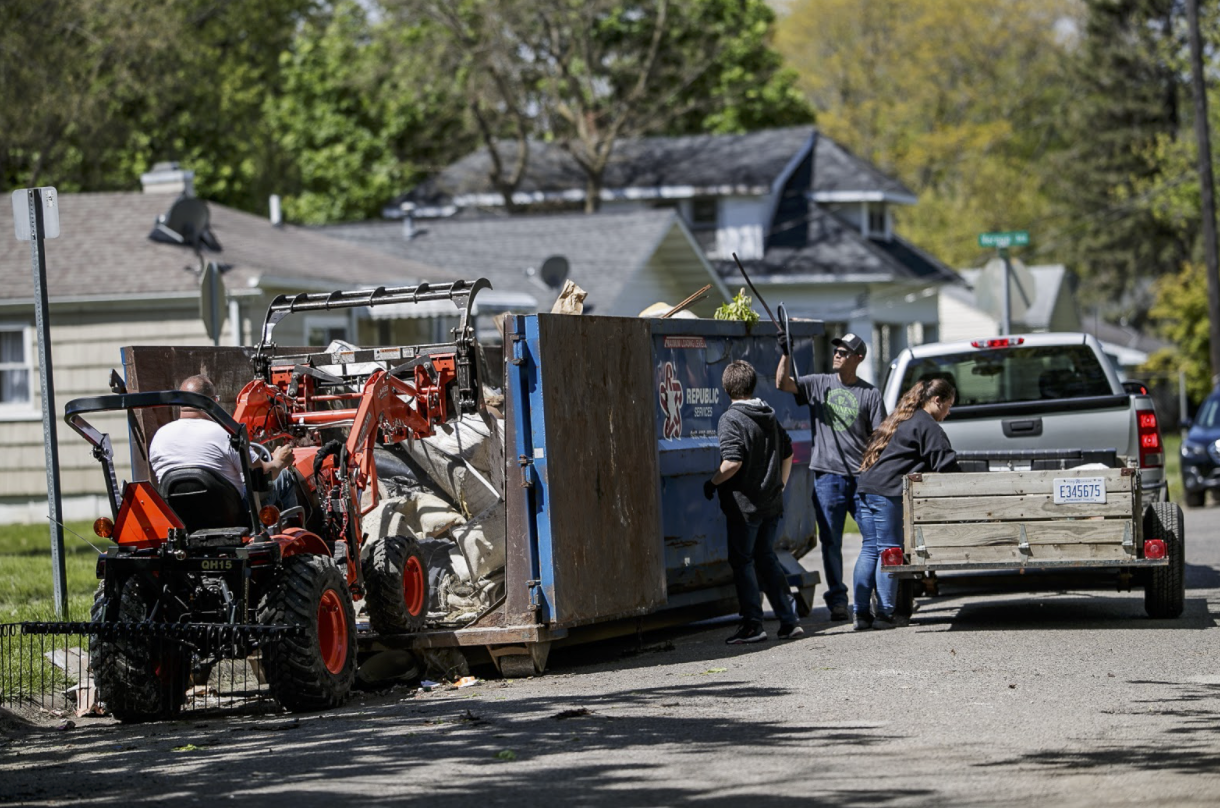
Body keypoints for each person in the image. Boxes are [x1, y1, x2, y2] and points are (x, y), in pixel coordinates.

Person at [776, 331, 886, 621]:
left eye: (845, 351)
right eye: (837, 349)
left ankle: (872, 594)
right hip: (827, 477)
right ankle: (838, 599)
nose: (837, 353)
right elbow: (782, 383)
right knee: (831, 541)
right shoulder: (818, 384)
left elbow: (880, 440)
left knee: (872, 539)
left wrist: (872, 473)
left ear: (858, 359)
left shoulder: (870, 394)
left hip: (862, 479)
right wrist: (786, 353)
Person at [705, 360, 803, 644]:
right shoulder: (768, 415)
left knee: (743, 561)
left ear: (726, 387)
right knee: (767, 558)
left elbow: (732, 462)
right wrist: (780, 485)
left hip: (745, 507)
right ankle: (789, 620)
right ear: (751, 385)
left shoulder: (730, 419)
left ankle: (752, 624)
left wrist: (712, 483)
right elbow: (788, 452)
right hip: (771, 504)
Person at [853, 377, 960, 630]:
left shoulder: (902, 419)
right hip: (887, 492)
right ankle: (885, 614)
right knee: (890, 550)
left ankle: (860, 614)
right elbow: (946, 465)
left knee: (870, 549)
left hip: (867, 488)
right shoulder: (928, 425)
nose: (949, 411)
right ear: (936, 401)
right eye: (949, 405)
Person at [150, 374, 297, 512]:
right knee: (283, 477)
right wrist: (280, 461)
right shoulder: (224, 433)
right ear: (213, 401)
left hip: (181, 519)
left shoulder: (159, 437)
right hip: (231, 516)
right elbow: (261, 476)